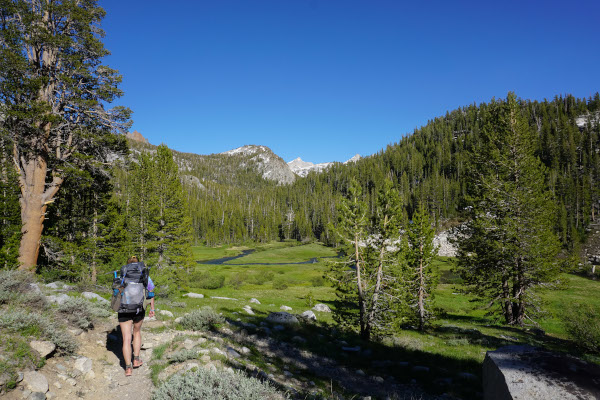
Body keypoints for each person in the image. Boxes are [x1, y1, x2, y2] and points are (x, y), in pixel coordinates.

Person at [118, 256, 155, 377]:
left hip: (124, 309)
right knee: (137, 332)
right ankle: (136, 359)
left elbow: (117, 291)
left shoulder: (122, 274)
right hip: (139, 309)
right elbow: (151, 292)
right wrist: (152, 308)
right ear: (138, 264)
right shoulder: (143, 274)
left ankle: (128, 368)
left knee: (126, 338)